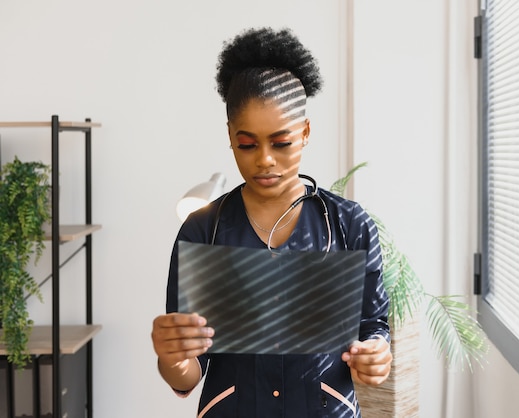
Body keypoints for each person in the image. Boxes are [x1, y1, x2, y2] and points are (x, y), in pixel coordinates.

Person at [151, 27, 392, 418]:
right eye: (248, 144)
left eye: (281, 142)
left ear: (305, 133)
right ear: (230, 136)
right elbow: (187, 374)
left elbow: (374, 326)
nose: (264, 159)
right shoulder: (202, 232)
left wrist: (377, 355)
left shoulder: (349, 225)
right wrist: (173, 359)